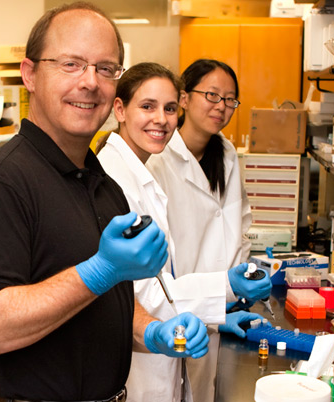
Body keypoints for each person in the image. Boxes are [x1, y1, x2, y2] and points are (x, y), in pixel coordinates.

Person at [0, 3, 208, 402]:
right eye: (71, 64)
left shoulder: (101, 184)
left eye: (106, 69)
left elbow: (104, 303)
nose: (90, 82)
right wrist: (100, 269)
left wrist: (150, 331)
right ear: (30, 74)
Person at [98, 62, 271, 402]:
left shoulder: (139, 173)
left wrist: (222, 298)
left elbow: (161, 282)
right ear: (120, 109)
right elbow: (142, 294)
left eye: (168, 109)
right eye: (147, 106)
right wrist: (224, 289)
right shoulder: (116, 180)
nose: (161, 119)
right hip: (142, 358)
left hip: (172, 334)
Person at [147, 59, 262, 402]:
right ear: (184, 99)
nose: (221, 107)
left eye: (230, 100)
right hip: (180, 307)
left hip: (223, 306)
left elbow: (239, 219)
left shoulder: (226, 152)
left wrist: (243, 280)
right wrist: (212, 299)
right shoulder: (159, 157)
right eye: (212, 95)